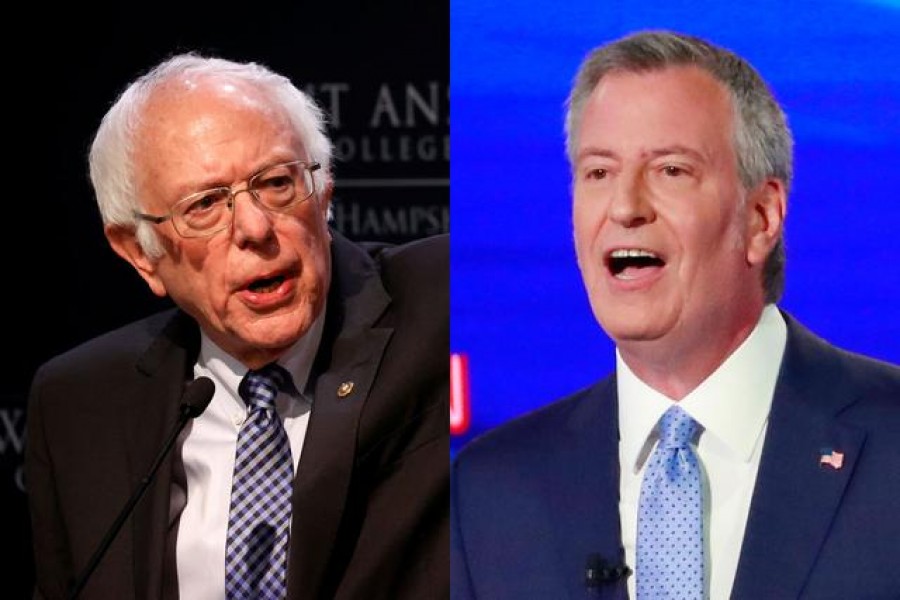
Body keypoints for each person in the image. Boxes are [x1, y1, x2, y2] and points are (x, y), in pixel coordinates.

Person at [450, 30, 900, 600]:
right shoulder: (491, 490)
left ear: (762, 217)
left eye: (671, 170)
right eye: (598, 173)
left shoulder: (889, 445)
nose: (624, 207)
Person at [25, 52, 449, 600]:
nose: (254, 227)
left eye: (275, 183)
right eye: (204, 205)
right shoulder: (80, 404)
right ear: (140, 252)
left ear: (323, 192)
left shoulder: (436, 302)